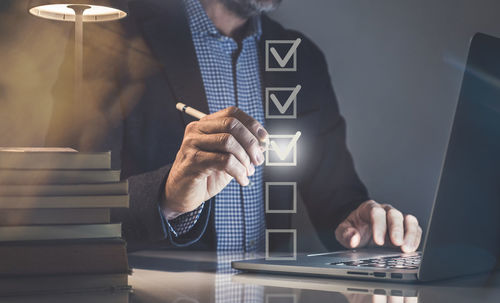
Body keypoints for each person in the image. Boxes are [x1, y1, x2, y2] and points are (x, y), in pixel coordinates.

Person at [46, 0, 422, 253]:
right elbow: (66, 203)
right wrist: (168, 197)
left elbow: (337, 199)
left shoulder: (301, 57)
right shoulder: (108, 37)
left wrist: (363, 222)